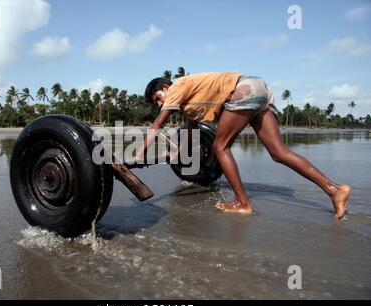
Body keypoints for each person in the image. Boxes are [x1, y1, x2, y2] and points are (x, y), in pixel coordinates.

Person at [136, 72, 351, 219]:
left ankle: (243, 204)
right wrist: (179, 153)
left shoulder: (177, 86)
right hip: (259, 88)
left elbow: (157, 125)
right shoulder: (188, 102)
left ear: (165, 87)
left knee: (220, 146)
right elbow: (191, 132)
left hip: (244, 90)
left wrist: (139, 155)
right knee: (278, 152)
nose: (160, 103)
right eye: (156, 102)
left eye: (158, 98)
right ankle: (335, 190)